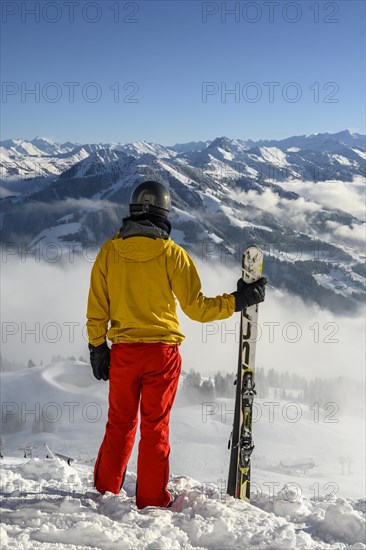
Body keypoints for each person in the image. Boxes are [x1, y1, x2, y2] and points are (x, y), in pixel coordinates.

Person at [86, 180, 266, 509]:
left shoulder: (109, 253)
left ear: (132, 212)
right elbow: (198, 308)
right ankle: (152, 499)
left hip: (125, 353)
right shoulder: (173, 255)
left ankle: (105, 490)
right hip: (162, 355)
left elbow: (97, 308)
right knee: (155, 428)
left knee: (120, 423)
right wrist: (238, 300)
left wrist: (98, 348)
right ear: (164, 213)